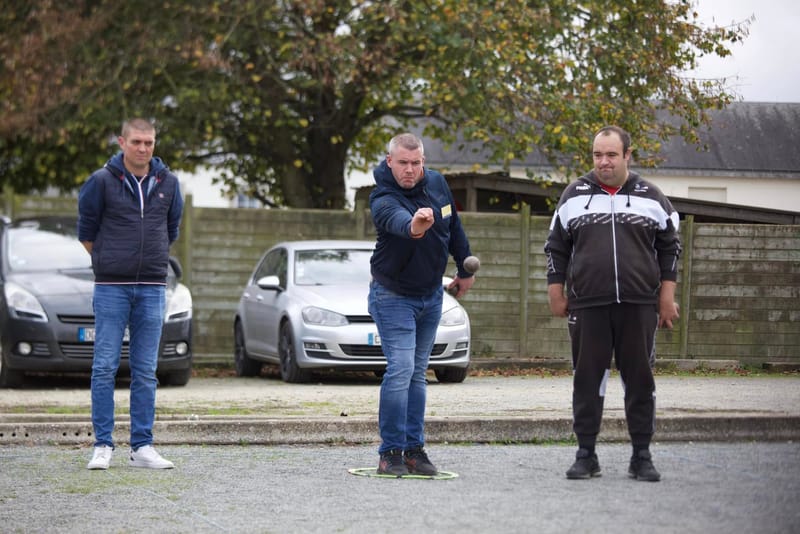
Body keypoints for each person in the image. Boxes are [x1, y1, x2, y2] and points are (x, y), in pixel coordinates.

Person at [544, 125, 681, 482]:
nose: (603, 162)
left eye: (611, 155)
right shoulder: (574, 195)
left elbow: (670, 247)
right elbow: (556, 247)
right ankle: (586, 454)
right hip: (588, 304)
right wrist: (555, 290)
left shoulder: (651, 196)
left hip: (639, 304)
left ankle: (642, 456)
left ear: (627, 156)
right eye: (597, 155)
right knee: (587, 380)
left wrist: (667, 295)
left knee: (639, 379)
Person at [78, 118, 184, 470]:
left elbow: (171, 229)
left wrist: (148, 261)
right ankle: (102, 445)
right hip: (111, 287)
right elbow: (87, 232)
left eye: (149, 143)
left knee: (145, 370)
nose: (143, 148)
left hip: (153, 287)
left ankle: (142, 446)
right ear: (122, 142)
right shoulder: (101, 182)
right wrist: (111, 261)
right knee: (104, 367)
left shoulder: (169, 183)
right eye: (136, 141)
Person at [368, 133, 475, 476]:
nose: (410, 170)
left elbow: (453, 224)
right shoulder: (383, 196)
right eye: (403, 163)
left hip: (431, 295)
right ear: (390, 162)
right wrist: (415, 225)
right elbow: (397, 221)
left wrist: (464, 265)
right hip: (393, 296)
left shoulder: (438, 184)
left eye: (416, 163)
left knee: (417, 373)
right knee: (400, 369)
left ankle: (414, 450)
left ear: (423, 162)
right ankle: (390, 453)